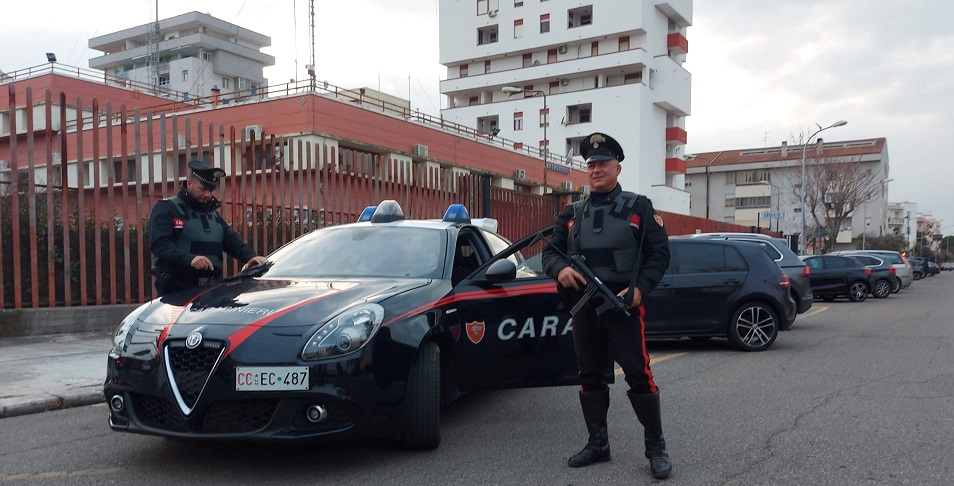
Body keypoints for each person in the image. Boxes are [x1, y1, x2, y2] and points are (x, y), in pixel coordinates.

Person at [542, 133, 672, 479]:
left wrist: (640, 289)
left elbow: (659, 255)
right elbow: (550, 254)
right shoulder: (572, 213)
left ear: (617, 168)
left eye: (603, 163)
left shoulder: (639, 208)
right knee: (589, 375)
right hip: (584, 306)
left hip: (622, 305)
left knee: (638, 374)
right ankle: (598, 444)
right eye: (591, 165)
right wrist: (561, 269)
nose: (596, 169)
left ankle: (656, 448)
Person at [149, 160, 267, 296]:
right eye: (203, 189)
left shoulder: (213, 215)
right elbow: (159, 244)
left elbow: (231, 241)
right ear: (189, 183)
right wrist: (189, 259)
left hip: (210, 289)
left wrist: (251, 257)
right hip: (176, 290)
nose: (208, 195)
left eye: (211, 190)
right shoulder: (167, 208)